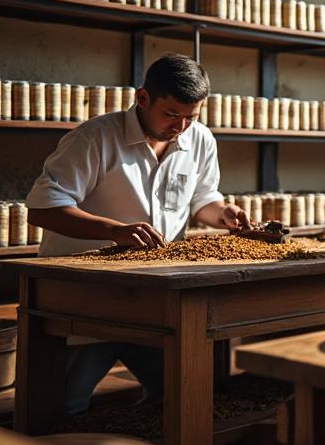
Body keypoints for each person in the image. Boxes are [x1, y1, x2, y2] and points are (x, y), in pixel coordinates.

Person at [26, 53, 249, 415]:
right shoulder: (95, 138)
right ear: (142, 98)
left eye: (191, 117)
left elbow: (202, 199)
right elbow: (42, 208)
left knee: (174, 398)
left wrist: (222, 213)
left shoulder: (201, 140)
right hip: (88, 298)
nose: (180, 126)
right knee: (63, 404)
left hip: (157, 295)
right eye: (171, 115)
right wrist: (115, 231)